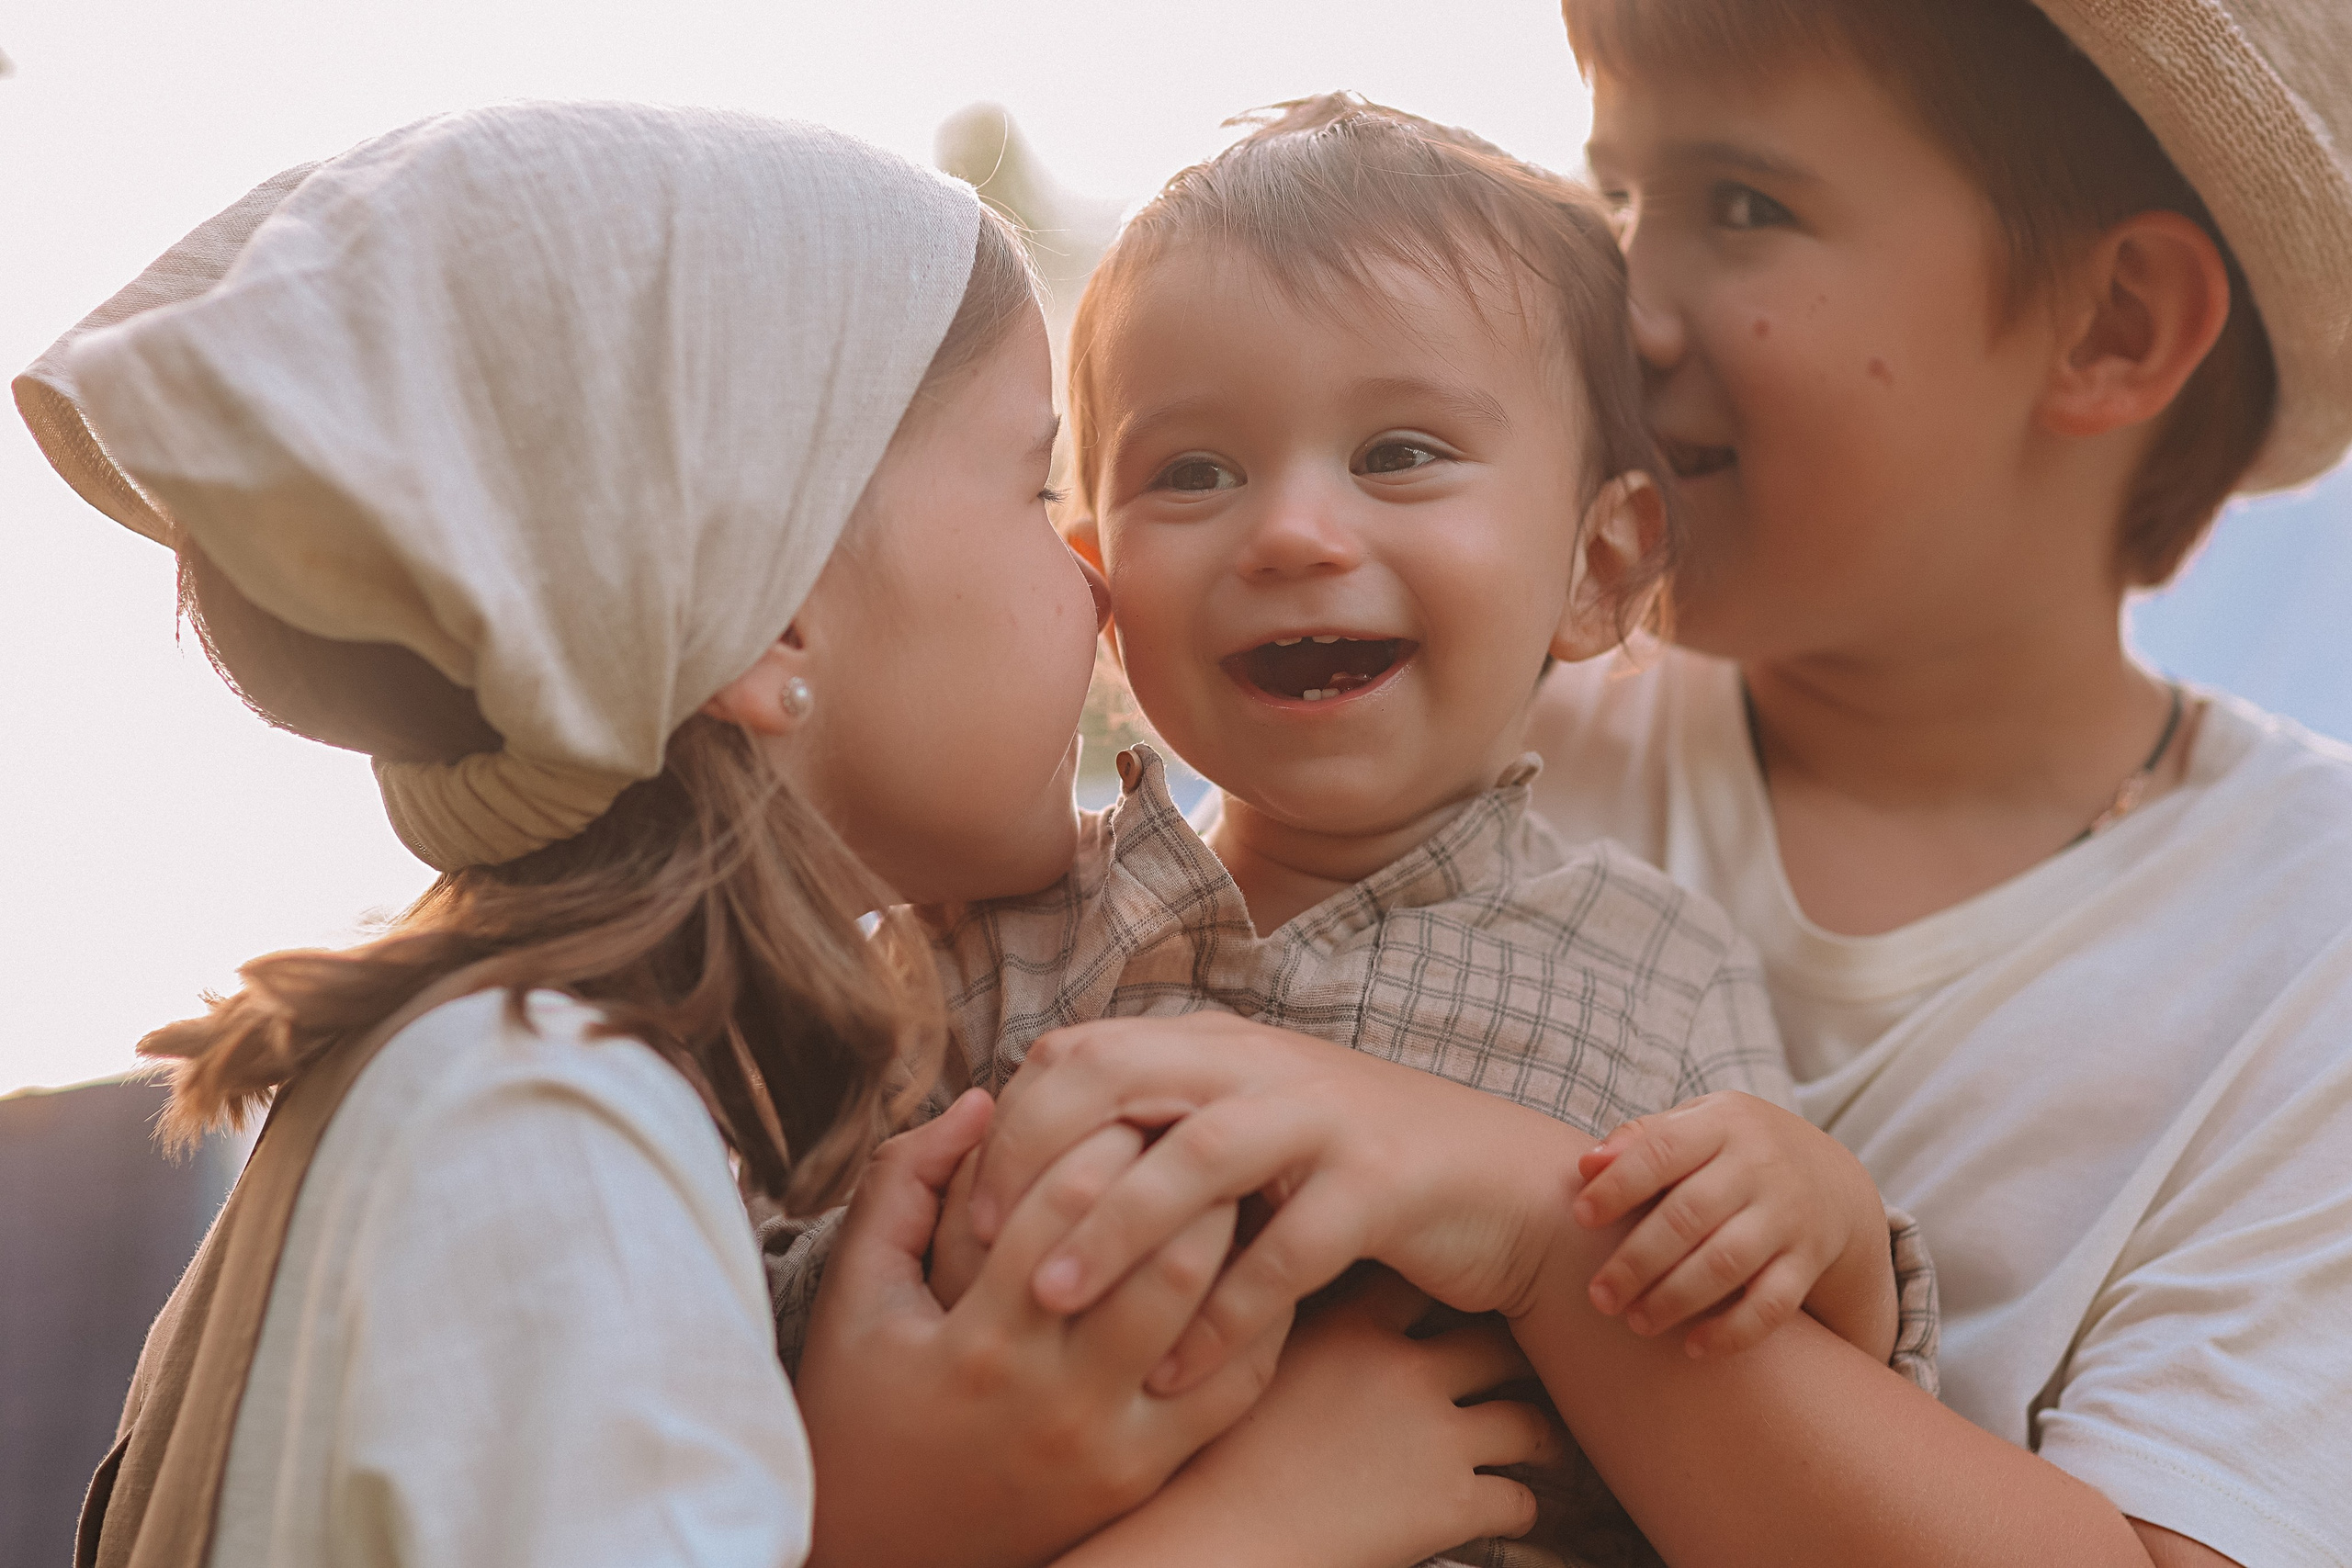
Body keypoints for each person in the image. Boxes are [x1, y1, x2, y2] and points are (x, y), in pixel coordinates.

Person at [17, 102, 1557, 1568]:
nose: (1095, 583)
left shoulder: (482, 1085)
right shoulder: (545, 1143)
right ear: (779, 617)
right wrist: (1243, 1528)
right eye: (1030, 484)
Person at [940, 1, 2352, 1563]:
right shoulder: (1433, 701)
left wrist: (1542, 1221)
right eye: (1619, 199)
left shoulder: (2312, 948)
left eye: (1743, 207)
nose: (1630, 303)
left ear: (2114, 326)